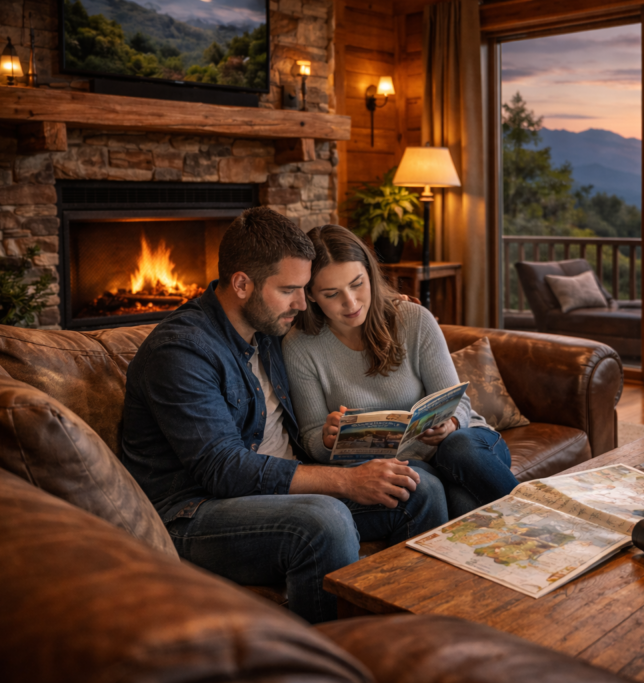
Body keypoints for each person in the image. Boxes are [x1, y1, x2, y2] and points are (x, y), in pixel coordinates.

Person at [120, 207, 447, 625]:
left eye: (305, 288)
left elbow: (342, 320)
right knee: (323, 521)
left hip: (274, 493)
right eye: (290, 289)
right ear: (241, 284)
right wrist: (348, 480)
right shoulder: (181, 352)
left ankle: (410, 636)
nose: (301, 302)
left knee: (419, 487)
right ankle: (331, 661)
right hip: (196, 513)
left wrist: (385, 305)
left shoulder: (269, 328)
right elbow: (224, 469)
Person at [282, 224, 519, 519]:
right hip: (402, 465)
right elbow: (311, 440)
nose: (351, 303)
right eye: (332, 293)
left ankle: (543, 521)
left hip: (465, 447)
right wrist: (327, 438)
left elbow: (460, 403)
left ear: (370, 273)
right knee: (456, 502)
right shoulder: (299, 347)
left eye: (357, 284)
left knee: (457, 450)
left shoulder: (413, 320)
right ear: (312, 295)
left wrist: (451, 424)